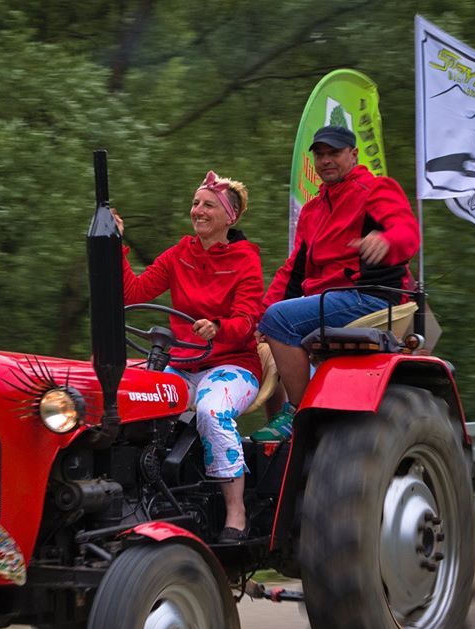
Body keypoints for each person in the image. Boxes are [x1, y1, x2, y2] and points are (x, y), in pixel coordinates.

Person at [114, 171, 264, 543]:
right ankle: (140, 499)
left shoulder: (245, 260)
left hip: (233, 365)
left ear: (230, 217)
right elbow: (133, 293)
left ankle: (236, 513)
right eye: (196, 203)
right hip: (183, 363)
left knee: (213, 410)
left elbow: (247, 320)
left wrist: (218, 326)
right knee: (133, 404)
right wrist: (114, 246)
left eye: (208, 205)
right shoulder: (180, 253)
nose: (198, 210)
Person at [253, 125, 420, 442]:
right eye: (320, 154)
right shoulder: (313, 210)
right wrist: (259, 315)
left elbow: (408, 232)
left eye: (335, 153)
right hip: (330, 300)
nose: (326, 160)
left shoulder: (376, 190)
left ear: (354, 154)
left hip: (367, 296)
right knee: (268, 321)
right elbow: (295, 271)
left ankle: (298, 414)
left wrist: (385, 239)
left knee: (279, 320)